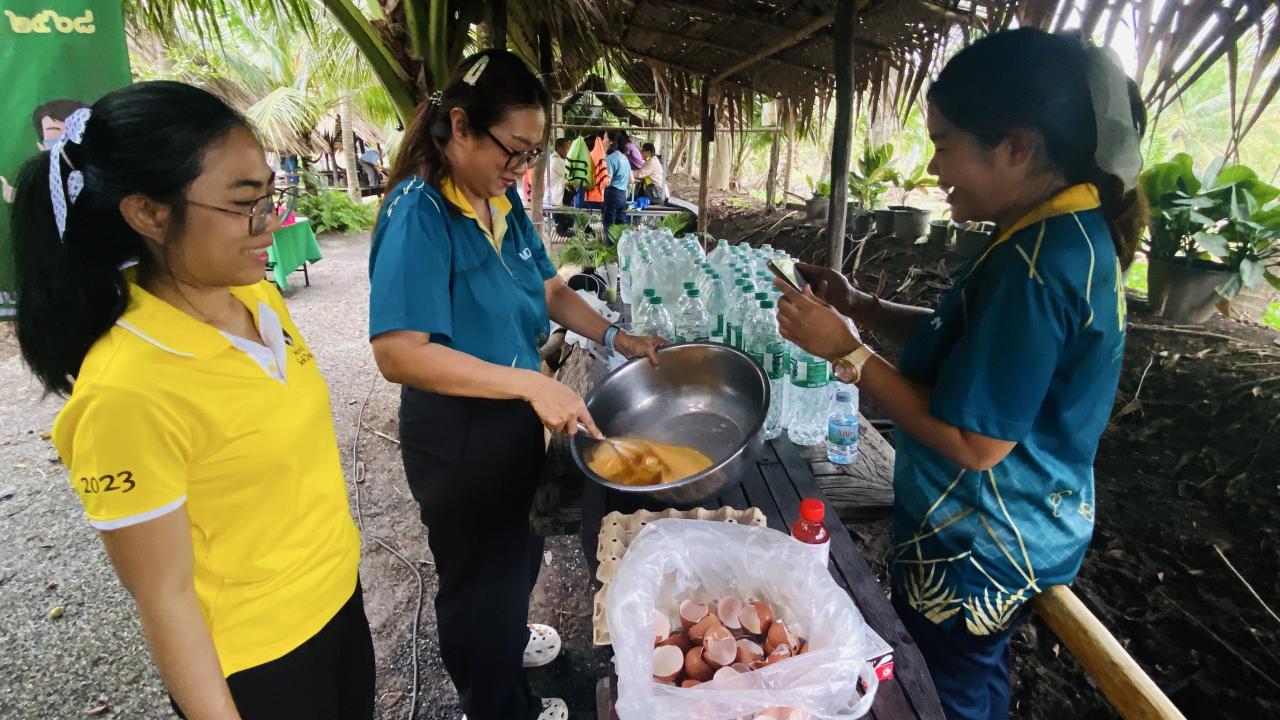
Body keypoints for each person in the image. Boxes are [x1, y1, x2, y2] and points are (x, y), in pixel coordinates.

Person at [774, 29, 1144, 720]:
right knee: (951, 673)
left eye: (944, 143)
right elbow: (969, 339)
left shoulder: (1036, 267)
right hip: (1012, 522)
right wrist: (861, 307)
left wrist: (848, 353)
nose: (935, 165)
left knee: (949, 692)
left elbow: (977, 444)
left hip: (981, 543)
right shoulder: (1050, 234)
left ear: (1016, 146)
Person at [9, 81, 372, 719]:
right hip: (261, 664)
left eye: (270, 197)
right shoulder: (126, 390)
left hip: (338, 603)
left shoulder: (258, 299)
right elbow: (166, 599)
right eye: (244, 205)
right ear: (148, 213)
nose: (272, 224)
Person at [367, 50, 667, 720]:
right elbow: (398, 351)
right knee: (478, 578)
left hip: (506, 410)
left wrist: (617, 337)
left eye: (532, 154)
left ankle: (504, 638)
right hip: (457, 429)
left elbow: (549, 286)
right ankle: (497, 701)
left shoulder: (498, 199)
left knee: (515, 547)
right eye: (514, 149)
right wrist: (528, 385)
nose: (522, 168)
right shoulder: (422, 212)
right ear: (463, 127)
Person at [602, 129, 631, 239]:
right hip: (623, 195)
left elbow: (607, 181)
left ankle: (610, 250)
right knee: (621, 225)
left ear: (610, 141)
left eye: (604, 138)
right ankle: (622, 249)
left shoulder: (610, 158)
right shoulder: (624, 158)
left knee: (609, 225)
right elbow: (631, 179)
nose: (603, 140)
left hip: (612, 194)